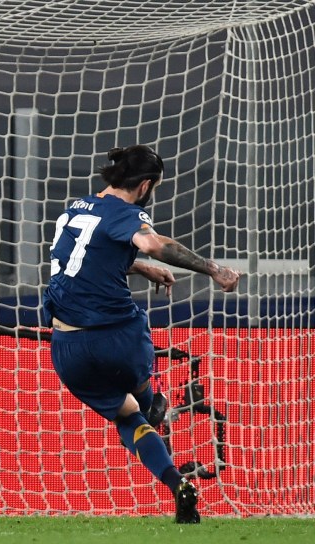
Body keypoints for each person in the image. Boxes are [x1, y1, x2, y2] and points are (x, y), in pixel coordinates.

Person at [41, 145, 241, 524]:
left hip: (68, 349)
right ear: (146, 184)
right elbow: (155, 242)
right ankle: (153, 400)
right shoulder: (127, 213)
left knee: (128, 419)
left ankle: (175, 483)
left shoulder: (75, 209)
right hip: (118, 339)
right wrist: (212, 269)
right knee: (140, 390)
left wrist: (141, 268)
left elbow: (86, 259)